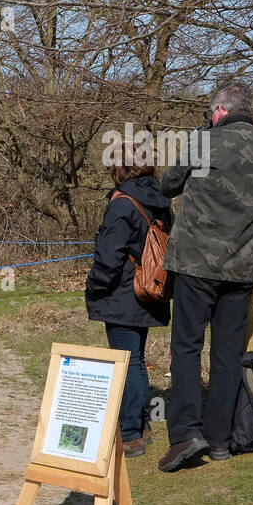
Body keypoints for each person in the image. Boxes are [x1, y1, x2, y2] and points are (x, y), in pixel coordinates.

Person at [158, 80, 253, 471]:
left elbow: (167, 185)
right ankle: (219, 440)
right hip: (241, 267)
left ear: (219, 111)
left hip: (196, 263)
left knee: (186, 347)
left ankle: (185, 433)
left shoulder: (201, 143)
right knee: (227, 354)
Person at [85, 140, 173, 458]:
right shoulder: (161, 199)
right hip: (151, 287)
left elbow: (109, 258)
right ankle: (141, 425)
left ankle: (130, 433)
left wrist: (94, 287)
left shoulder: (122, 203)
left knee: (126, 362)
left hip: (123, 291)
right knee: (135, 359)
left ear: (119, 167)